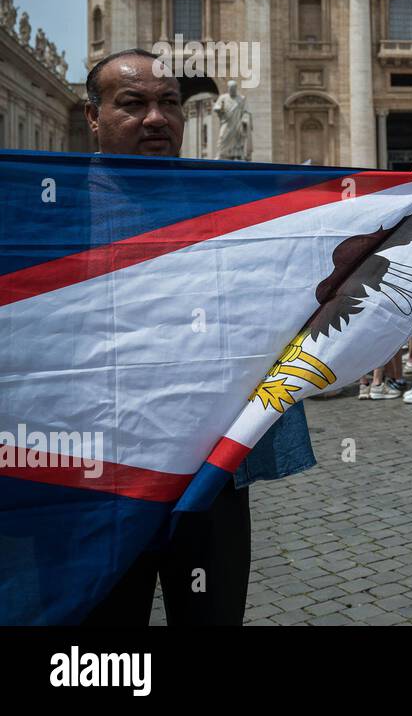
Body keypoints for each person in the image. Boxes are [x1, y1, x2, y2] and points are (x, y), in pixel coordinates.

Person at [78, 49, 315, 625]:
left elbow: (320, 249)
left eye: (169, 104)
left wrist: (410, 193)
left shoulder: (226, 202)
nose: (155, 118)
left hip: (209, 471)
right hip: (99, 474)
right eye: (133, 104)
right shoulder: (50, 209)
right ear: (93, 117)